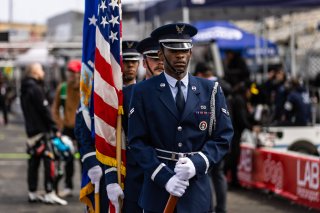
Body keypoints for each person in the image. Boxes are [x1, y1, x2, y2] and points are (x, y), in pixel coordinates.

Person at [127, 23, 233, 212]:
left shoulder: (210, 90)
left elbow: (223, 137)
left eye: (185, 51)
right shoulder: (143, 92)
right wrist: (164, 177)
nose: (180, 56)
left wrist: (198, 163)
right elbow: (137, 142)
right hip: (158, 190)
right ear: (161, 54)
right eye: (173, 51)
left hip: (196, 191)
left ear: (191, 53)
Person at [122, 37, 164, 213]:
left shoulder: (183, 93)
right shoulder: (127, 95)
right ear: (145, 62)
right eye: (155, 58)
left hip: (167, 174)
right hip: (137, 173)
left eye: (163, 58)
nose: (160, 63)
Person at [20, 63, 67, 205]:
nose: (43, 72)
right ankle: (49, 192)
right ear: (34, 72)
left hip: (31, 132)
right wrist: (55, 128)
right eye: (41, 69)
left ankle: (32, 192)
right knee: (49, 161)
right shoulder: (35, 89)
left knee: (33, 162)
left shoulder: (24, 88)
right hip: (41, 132)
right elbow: (45, 110)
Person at [193, 62, 229, 213]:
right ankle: (221, 209)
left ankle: (210, 209)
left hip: (206, 141)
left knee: (206, 175)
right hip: (220, 139)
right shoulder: (224, 85)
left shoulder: (205, 88)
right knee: (219, 176)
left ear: (200, 74)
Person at [51, 59, 81, 197]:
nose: (72, 75)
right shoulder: (62, 88)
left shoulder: (85, 88)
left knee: (84, 159)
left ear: (80, 72)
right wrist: (60, 125)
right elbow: (55, 109)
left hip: (82, 129)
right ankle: (68, 186)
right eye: (70, 71)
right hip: (67, 129)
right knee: (67, 159)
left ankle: (86, 186)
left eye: (74, 72)